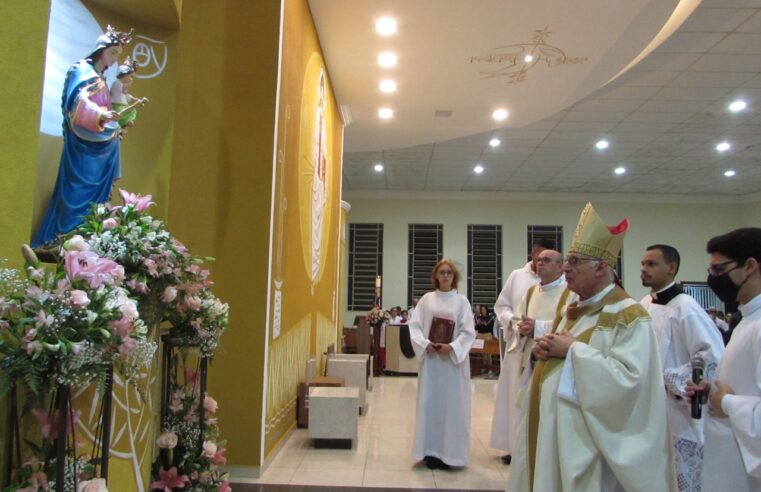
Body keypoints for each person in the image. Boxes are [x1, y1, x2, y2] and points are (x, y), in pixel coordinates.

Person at [507, 203, 676, 492]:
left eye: (574, 262)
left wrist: (572, 351)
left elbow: (631, 383)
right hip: (556, 437)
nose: (566, 269)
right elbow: (561, 352)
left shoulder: (628, 315)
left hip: (589, 449)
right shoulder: (575, 309)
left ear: (600, 268)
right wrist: (542, 354)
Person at [32, 26, 133, 250]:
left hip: (101, 144)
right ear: (101, 50)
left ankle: (86, 237)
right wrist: (101, 115)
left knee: (94, 198)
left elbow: (108, 108)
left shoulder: (102, 80)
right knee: (77, 188)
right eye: (113, 52)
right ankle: (63, 236)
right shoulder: (81, 70)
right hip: (82, 145)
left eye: (118, 54)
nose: (115, 58)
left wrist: (117, 119)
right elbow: (77, 102)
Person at [640, 244, 724, 491]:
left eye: (652, 264)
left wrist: (672, 377)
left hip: (679, 414)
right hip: (650, 407)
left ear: (672, 268)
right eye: (643, 264)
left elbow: (711, 357)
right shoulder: (644, 303)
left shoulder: (686, 307)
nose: (644, 269)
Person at [686, 228, 761, 492]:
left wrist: (727, 403)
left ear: (750, 266)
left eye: (719, 271)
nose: (713, 279)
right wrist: (712, 392)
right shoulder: (747, 318)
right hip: (730, 459)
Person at [490, 239, 553, 463]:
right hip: (519, 345)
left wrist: (538, 327)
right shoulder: (518, 276)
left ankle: (536, 449)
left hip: (544, 348)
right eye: (536, 258)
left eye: (545, 259)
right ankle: (511, 447)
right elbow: (502, 306)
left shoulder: (561, 283)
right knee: (514, 397)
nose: (539, 263)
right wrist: (514, 323)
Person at [408, 259, 475, 470]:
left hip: (452, 365)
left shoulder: (462, 302)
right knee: (430, 405)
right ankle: (430, 452)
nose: (446, 276)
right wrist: (425, 344)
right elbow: (415, 326)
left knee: (452, 408)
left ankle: (450, 455)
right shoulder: (427, 300)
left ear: (454, 277)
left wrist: (453, 347)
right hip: (432, 363)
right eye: (442, 273)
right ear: (436, 276)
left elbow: (468, 332)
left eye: (449, 273)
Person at [109, 56, 148, 131]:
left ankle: (126, 124)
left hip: (123, 104)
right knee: (127, 111)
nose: (131, 79)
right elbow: (124, 93)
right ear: (124, 75)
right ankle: (124, 123)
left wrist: (133, 99)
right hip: (117, 105)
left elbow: (125, 95)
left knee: (133, 111)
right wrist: (127, 86)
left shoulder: (121, 84)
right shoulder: (117, 83)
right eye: (130, 76)